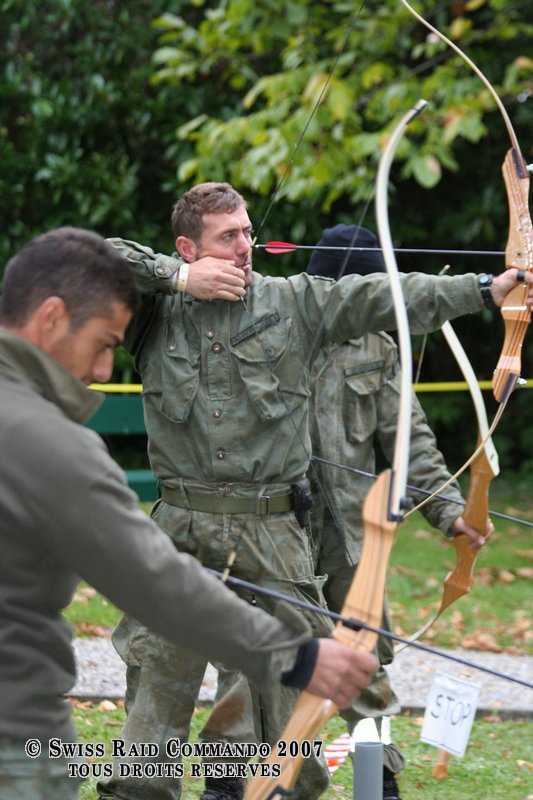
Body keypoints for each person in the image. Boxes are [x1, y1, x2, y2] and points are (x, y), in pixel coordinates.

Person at [99, 181, 531, 800]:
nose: (246, 246)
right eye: (228, 236)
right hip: (180, 528)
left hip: (272, 533)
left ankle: (296, 785)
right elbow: (94, 258)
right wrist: (178, 280)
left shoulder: (292, 302)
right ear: (188, 247)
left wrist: (487, 289)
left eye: (249, 232)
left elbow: (385, 296)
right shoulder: (155, 313)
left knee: (291, 689)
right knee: (157, 683)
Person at [0, 226, 379, 800]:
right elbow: (154, 580)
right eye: (103, 344)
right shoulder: (51, 443)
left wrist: (484, 289)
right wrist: (297, 655)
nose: (103, 370)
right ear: (52, 317)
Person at [306, 223, 495, 800]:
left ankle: (379, 782)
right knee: (265, 663)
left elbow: (408, 440)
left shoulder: (379, 348)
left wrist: (451, 510)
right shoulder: (277, 333)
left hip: (350, 537)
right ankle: (241, 780)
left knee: (363, 662)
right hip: (276, 528)